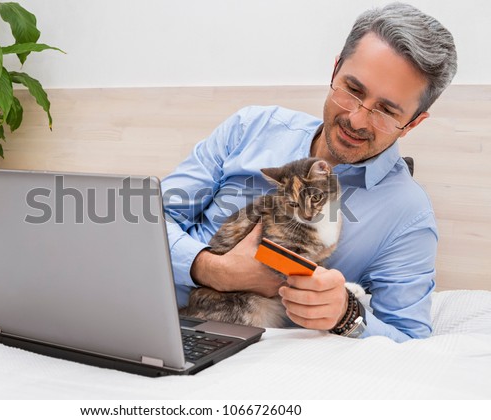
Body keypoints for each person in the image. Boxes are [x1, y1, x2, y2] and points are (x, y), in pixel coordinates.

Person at [161, 2, 457, 342]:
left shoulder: (408, 215)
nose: (357, 120)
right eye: (353, 90)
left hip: (237, 346)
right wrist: (210, 269)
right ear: (334, 72)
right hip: (147, 308)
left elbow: (409, 339)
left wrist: (346, 317)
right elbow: (148, 220)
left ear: (413, 123)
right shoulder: (252, 128)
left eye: (386, 111)